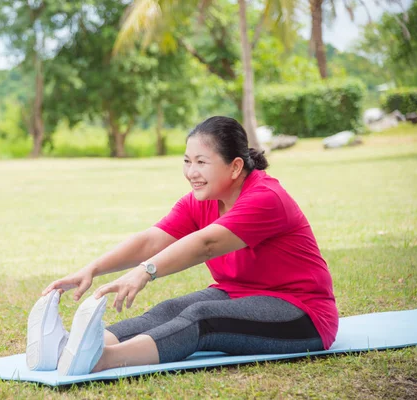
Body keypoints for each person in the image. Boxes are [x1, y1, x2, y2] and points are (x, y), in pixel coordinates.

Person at [31, 116, 339, 376]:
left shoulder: (265, 198)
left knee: (202, 317)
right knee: (170, 309)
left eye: (202, 162)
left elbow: (206, 244)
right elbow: (151, 240)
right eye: (187, 161)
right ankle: (68, 348)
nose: (191, 172)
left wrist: (145, 272)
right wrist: (92, 269)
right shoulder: (201, 201)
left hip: (302, 313)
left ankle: (101, 360)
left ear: (234, 167)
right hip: (237, 293)